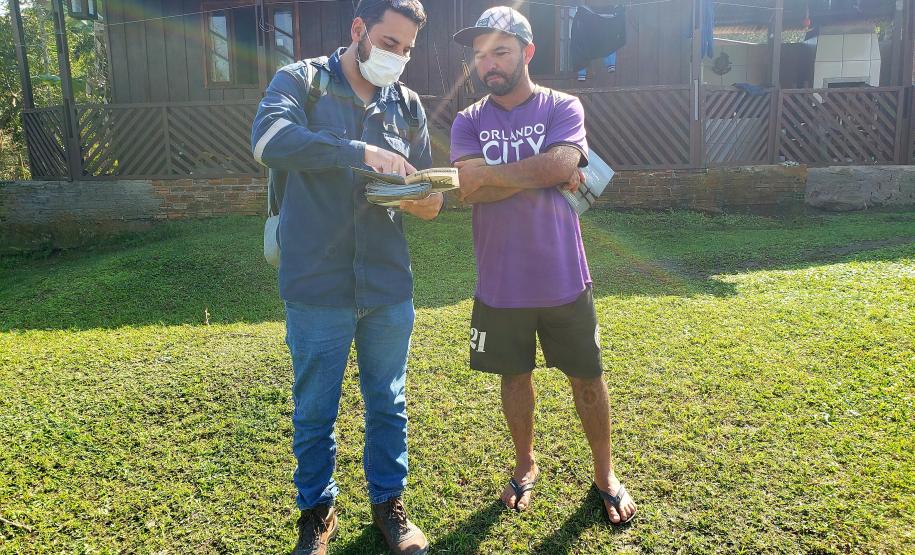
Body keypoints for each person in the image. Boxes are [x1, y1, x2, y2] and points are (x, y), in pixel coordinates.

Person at [250, 0, 442, 552]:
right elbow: (268, 142)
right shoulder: (301, 81)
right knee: (316, 406)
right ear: (359, 30)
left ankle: (389, 505)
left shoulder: (406, 105)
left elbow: (422, 190)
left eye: (406, 49)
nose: (397, 57)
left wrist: (423, 201)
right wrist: (359, 151)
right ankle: (316, 512)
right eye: (388, 43)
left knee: (389, 400)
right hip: (317, 281)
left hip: (386, 283)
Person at [449, 6, 637, 525]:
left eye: (501, 51)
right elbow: (467, 186)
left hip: (563, 276)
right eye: (481, 54)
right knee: (515, 377)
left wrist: (498, 176)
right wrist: (540, 172)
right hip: (500, 280)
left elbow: (561, 164)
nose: (489, 63)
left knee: (587, 377)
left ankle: (604, 473)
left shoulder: (562, 105)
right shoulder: (469, 119)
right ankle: (525, 464)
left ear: (527, 52)